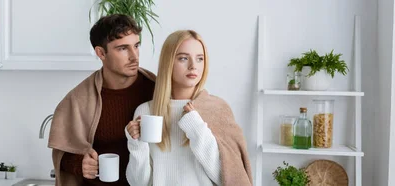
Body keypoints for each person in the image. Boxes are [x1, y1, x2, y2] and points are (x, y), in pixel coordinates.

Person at [125, 30, 253, 186]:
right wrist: (136, 144)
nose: (193, 66)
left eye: (200, 59)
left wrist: (196, 127)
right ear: (168, 62)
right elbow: (138, 183)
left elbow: (226, 178)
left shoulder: (217, 109)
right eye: (183, 58)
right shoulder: (145, 112)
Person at [47, 14, 156, 186]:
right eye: (122, 49)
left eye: (136, 45)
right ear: (101, 53)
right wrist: (80, 164)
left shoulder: (156, 89)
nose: (134, 56)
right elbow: (62, 153)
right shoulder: (78, 99)